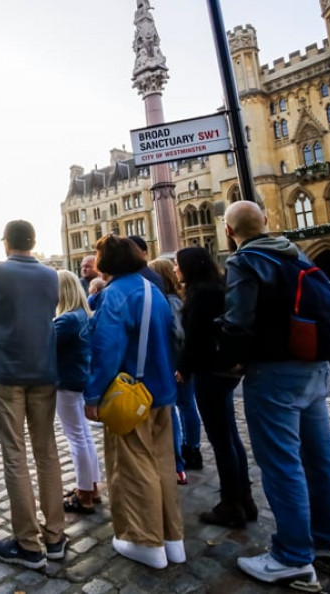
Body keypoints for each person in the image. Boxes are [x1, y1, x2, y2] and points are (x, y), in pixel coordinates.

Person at [218, 201, 330, 588]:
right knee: (321, 460)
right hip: (314, 367)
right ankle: (329, 547)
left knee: (281, 464)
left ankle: (292, 556)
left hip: (275, 372)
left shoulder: (245, 261)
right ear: (268, 222)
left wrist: (230, 357)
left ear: (229, 231)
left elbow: (238, 323)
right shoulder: (294, 253)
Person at [84, 234, 183, 570]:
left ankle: (145, 541)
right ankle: (173, 539)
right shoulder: (152, 290)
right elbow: (173, 337)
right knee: (163, 464)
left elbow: (105, 351)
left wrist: (93, 395)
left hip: (131, 395)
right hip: (162, 391)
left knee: (134, 467)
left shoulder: (115, 295)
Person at [0, 220, 66, 570]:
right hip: (44, 371)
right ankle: (55, 537)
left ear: (6, 243)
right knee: (47, 453)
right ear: (34, 242)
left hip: (9, 374)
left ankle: (28, 544)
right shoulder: (50, 275)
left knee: (15, 454)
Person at [175, 246, 254, 529]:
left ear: (190, 267)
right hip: (226, 370)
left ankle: (231, 504)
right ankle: (244, 498)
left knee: (222, 440)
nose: (175, 269)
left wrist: (182, 369)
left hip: (211, 370)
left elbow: (194, 339)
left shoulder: (202, 293)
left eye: (178, 264)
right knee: (230, 436)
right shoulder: (216, 287)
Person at [148, 257, 202, 484]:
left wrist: (179, 365)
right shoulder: (178, 298)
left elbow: (179, 335)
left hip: (176, 365)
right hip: (181, 363)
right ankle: (191, 447)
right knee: (186, 405)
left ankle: (187, 451)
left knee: (181, 407)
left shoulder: (169, 301)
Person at [53, 270, 101, 514]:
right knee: (84, 435)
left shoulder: (65, 320)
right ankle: (91, 486)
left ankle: (84, 494)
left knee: (76, 438)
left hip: (67, 382)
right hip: (80, 379)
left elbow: (43, 346)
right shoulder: (84, 315)